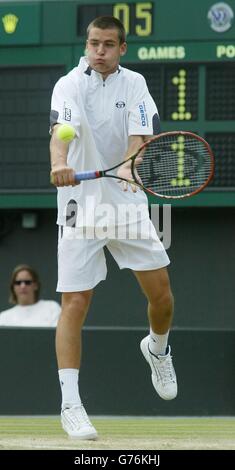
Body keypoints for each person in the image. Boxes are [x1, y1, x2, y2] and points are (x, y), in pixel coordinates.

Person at [50, 16, 177, 440]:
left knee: (161, 296)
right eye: (93, 43)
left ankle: (157, 349)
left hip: (126, 203)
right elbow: (60, 133)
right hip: (77, 209)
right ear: (86, 45)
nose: (99, 51)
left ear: (122, 48)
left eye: (107, 44)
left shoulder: (135, 83)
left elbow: (140, 138)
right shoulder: (69, 84)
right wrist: (59, 165)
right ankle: (71, 405)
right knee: (75, 302)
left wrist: (129, 163)